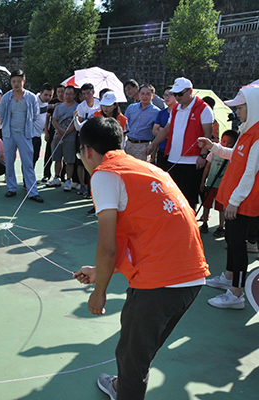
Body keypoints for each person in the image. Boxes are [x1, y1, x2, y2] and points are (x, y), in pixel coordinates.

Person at [73, 116, 209, 400]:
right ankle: (121, 386)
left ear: (87, 151)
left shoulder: (105, 174)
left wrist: (99, 292)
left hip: (160, 284)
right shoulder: (145, 168)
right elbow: (149, 234)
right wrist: (100, 271)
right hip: (192, 277)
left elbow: (108, 246)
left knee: (132, 357)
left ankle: (126, 389)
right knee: (138, 350)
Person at [200, 84, 259, 309]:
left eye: (241, 107)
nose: (237, 111)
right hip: (236, 198)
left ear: (253, 107)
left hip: (242, 202)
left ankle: (236, 294)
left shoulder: (257, 135)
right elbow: (236, 156)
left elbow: (250, 172)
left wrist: (234, 201)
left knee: (237, 245)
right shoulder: (247, 130)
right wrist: (214, 147)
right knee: (232, 241)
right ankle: (228, 277)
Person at [147, 77, 213, 209]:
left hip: (192, 160)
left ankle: (189, 220)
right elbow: (167, 129)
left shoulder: (204, 108)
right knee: (172, 194)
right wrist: (153, 144)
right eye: (175, 94)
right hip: (173, 158)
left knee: (189, 197)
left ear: (190, 91)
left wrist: (203, 155)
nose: (177, 97)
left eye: (180, 94)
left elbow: (207, 134)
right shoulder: (176, 108)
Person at [0, 69, 43, 203]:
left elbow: (35, 115)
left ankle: (32, 191)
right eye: (14, 81)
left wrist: (26, 128)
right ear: (11, 82)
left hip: (25, 135)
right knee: (9, 162)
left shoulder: (31, 97)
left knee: (28, 163)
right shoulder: (6, 98)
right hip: (9, 134)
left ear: (23, 81)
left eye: (19, 81)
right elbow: (2, 116)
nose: (16, 84)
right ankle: (11, 188)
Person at [199, 129, 238, 237]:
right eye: (224, 141)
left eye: (229, 143)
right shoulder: (213, 152)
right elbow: (207, 167)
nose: (226, 144)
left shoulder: (232, 156)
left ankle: (221, 227)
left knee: (221, 208)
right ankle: (205, 223)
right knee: (206, 205)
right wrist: (203, 182)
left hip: (223, 187)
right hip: (210, 184)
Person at [48, 85, 78, 188]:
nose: (68, 96)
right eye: (66, 94)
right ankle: (57, 177)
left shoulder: (77, 107)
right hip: (58, 136)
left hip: (70, 138)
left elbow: (76, 122)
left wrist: (66, 132)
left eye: (70, 94)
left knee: (69, 160)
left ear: (74, 95)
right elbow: (54, 120)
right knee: (57, 158)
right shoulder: (59, 107)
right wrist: (61, 131)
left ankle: (68, 180)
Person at [123, 84, 160, 161]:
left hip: (143, 146)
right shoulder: (131, 108)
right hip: (128, 144)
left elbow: (158, 133)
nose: (144, 96)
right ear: (139, 95)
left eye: (148, 94)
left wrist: (154, 150)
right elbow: (124, 125)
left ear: (153, 96)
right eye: (142, 93)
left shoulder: (157, 112)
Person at [43, 84, 65, 182]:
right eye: (59, 92)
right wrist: (46, 131)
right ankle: (46, 174)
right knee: (49, 152)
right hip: (52, 131)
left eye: (62, 91)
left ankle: (62, 175)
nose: (61, 94)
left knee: (64, 154)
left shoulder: (69, 103)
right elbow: (47, 118)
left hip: (65, 131)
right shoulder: (52, 102)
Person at [151, 86, 176, 171]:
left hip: (174, 152)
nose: (167, 97)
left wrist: (162, 131)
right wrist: (166, 134)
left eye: (170, 94)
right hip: (162, 150)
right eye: (165, 95)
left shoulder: (180, 113)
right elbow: (154, 131)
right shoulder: (161, 113)